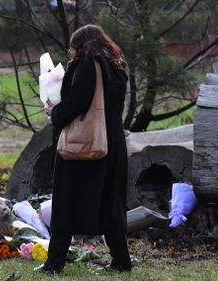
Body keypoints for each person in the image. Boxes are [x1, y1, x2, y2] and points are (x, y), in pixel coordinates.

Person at [40, 24, 131, 274]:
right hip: (112, 143)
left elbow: (78, 102)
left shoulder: (88, 64)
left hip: (84, 146)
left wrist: (55, 112)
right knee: (110, 204)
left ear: (80, 45)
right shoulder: (115, 64)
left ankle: (54, 264)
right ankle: (122, 261)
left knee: (66, 201)